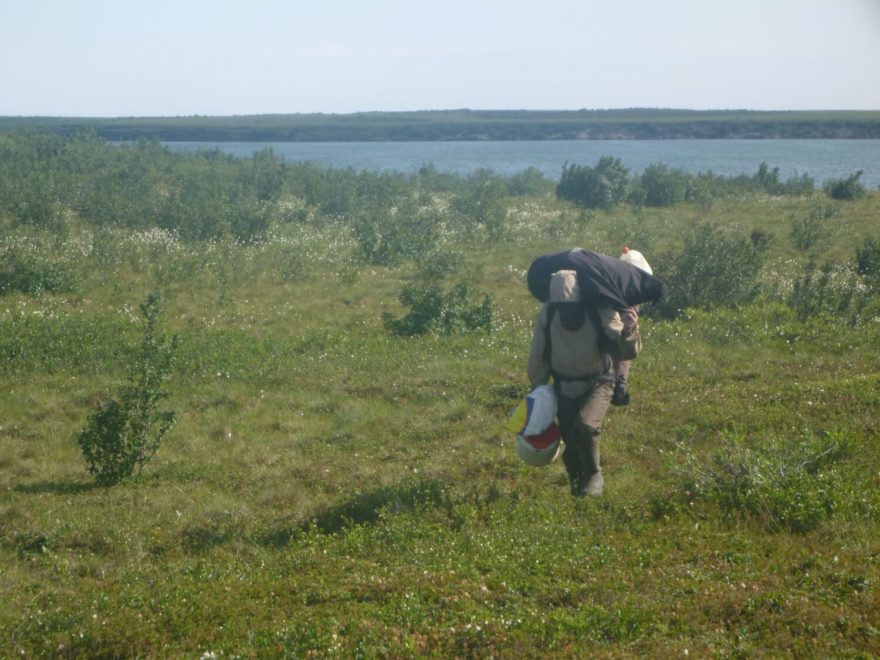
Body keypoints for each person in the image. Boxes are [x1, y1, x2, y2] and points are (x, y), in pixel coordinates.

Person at [527, 269, 640, 497]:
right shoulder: (549, 314)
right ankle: (578, 492)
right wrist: (537, 391)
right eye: (560, 306)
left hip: (598, 381)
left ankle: (594, 474)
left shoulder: (599, 311)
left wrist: (630, 329)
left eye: (569, 306)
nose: (565, 311)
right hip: (563, 386)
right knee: (572, 443)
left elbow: (627, 350)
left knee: (586, 427)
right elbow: (539, 353)